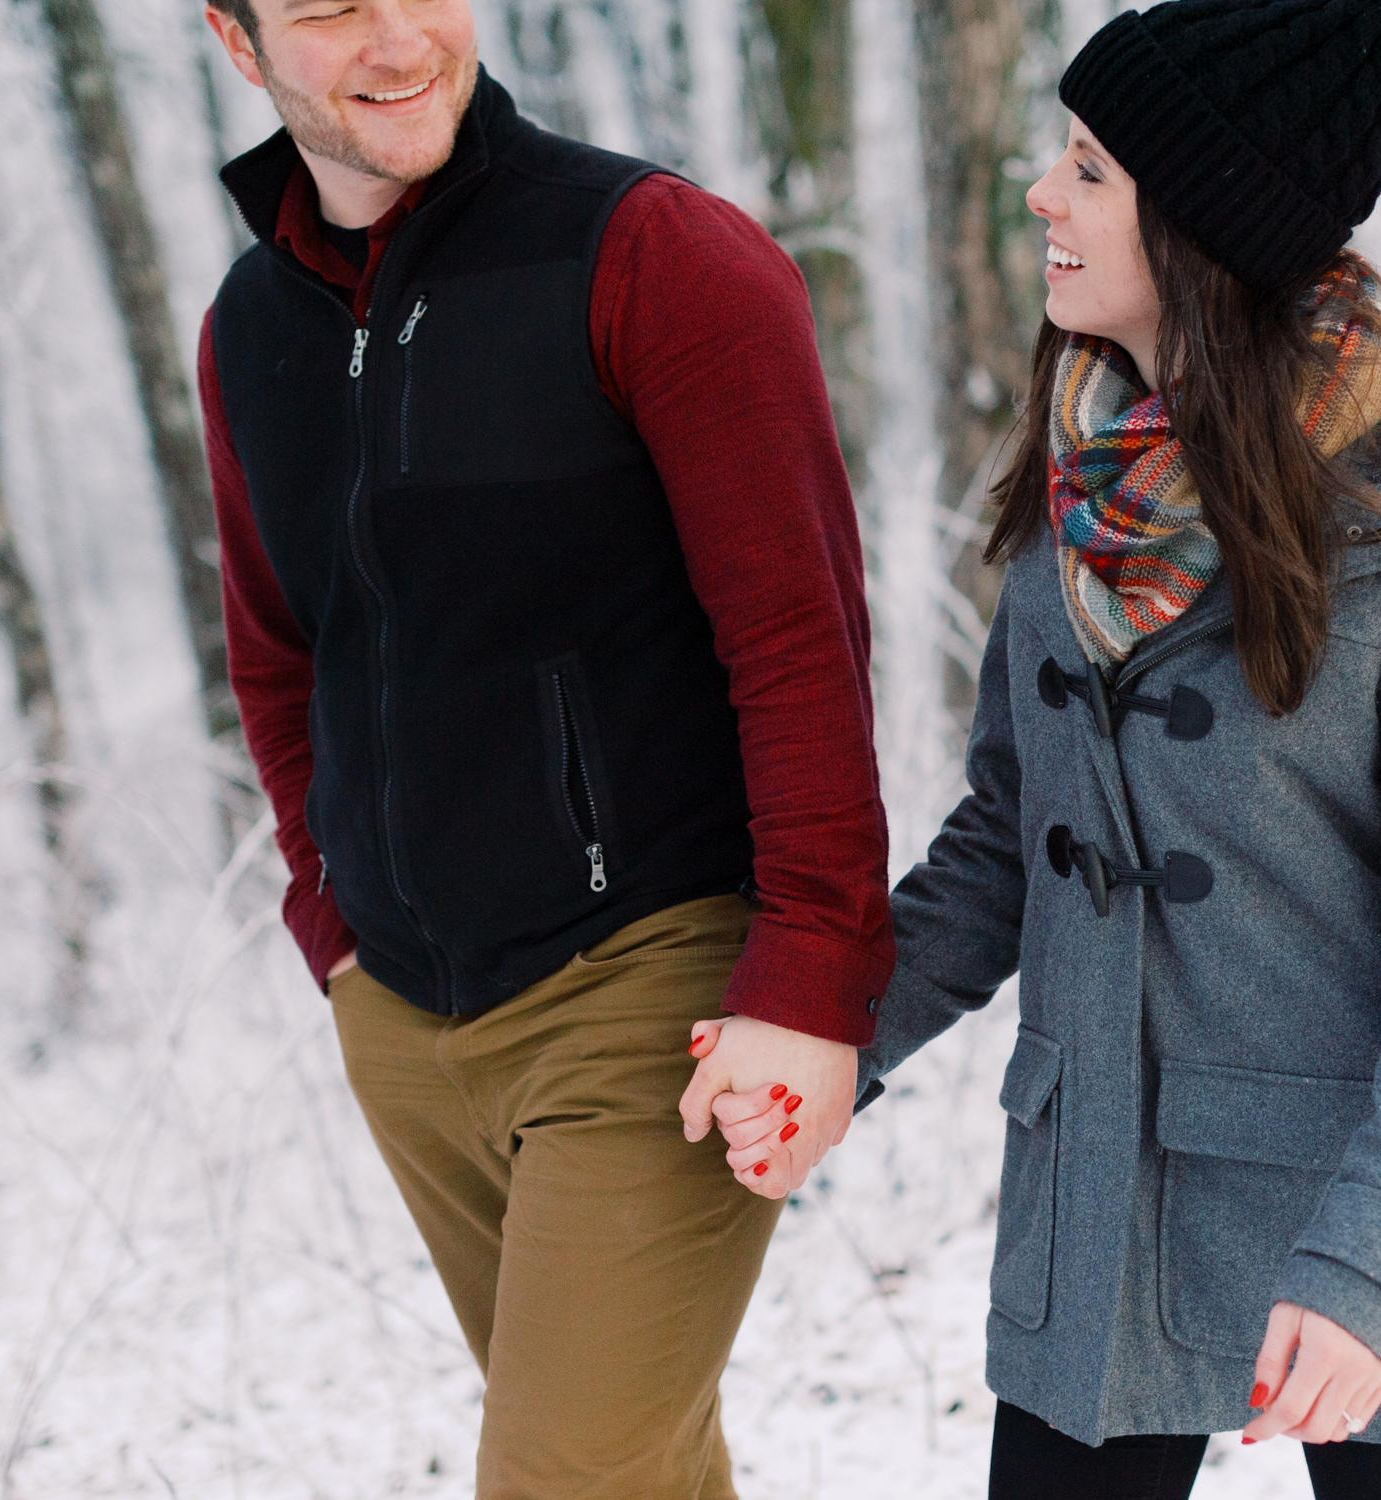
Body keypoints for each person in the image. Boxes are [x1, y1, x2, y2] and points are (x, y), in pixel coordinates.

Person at [720, 0, 1381, 1495]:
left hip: (1373, 1223)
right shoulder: (1078, 490)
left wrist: (1378, 1269)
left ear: (1201, 224)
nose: (1043, 191)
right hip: (1097, 1198)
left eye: (1091, 167)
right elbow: (1003, 845)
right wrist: (836, 1039)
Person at [196, 0, 892, 1494]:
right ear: (237, 39)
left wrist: (813, 975)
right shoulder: (250, 329)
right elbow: (278, 645)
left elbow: (800, 638)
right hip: (406, 1016)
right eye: (328, 10)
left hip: (651, 995)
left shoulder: (656, 255)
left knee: (562, 1477)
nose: (397, 42)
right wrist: (332, 924)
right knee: (638, 1468)